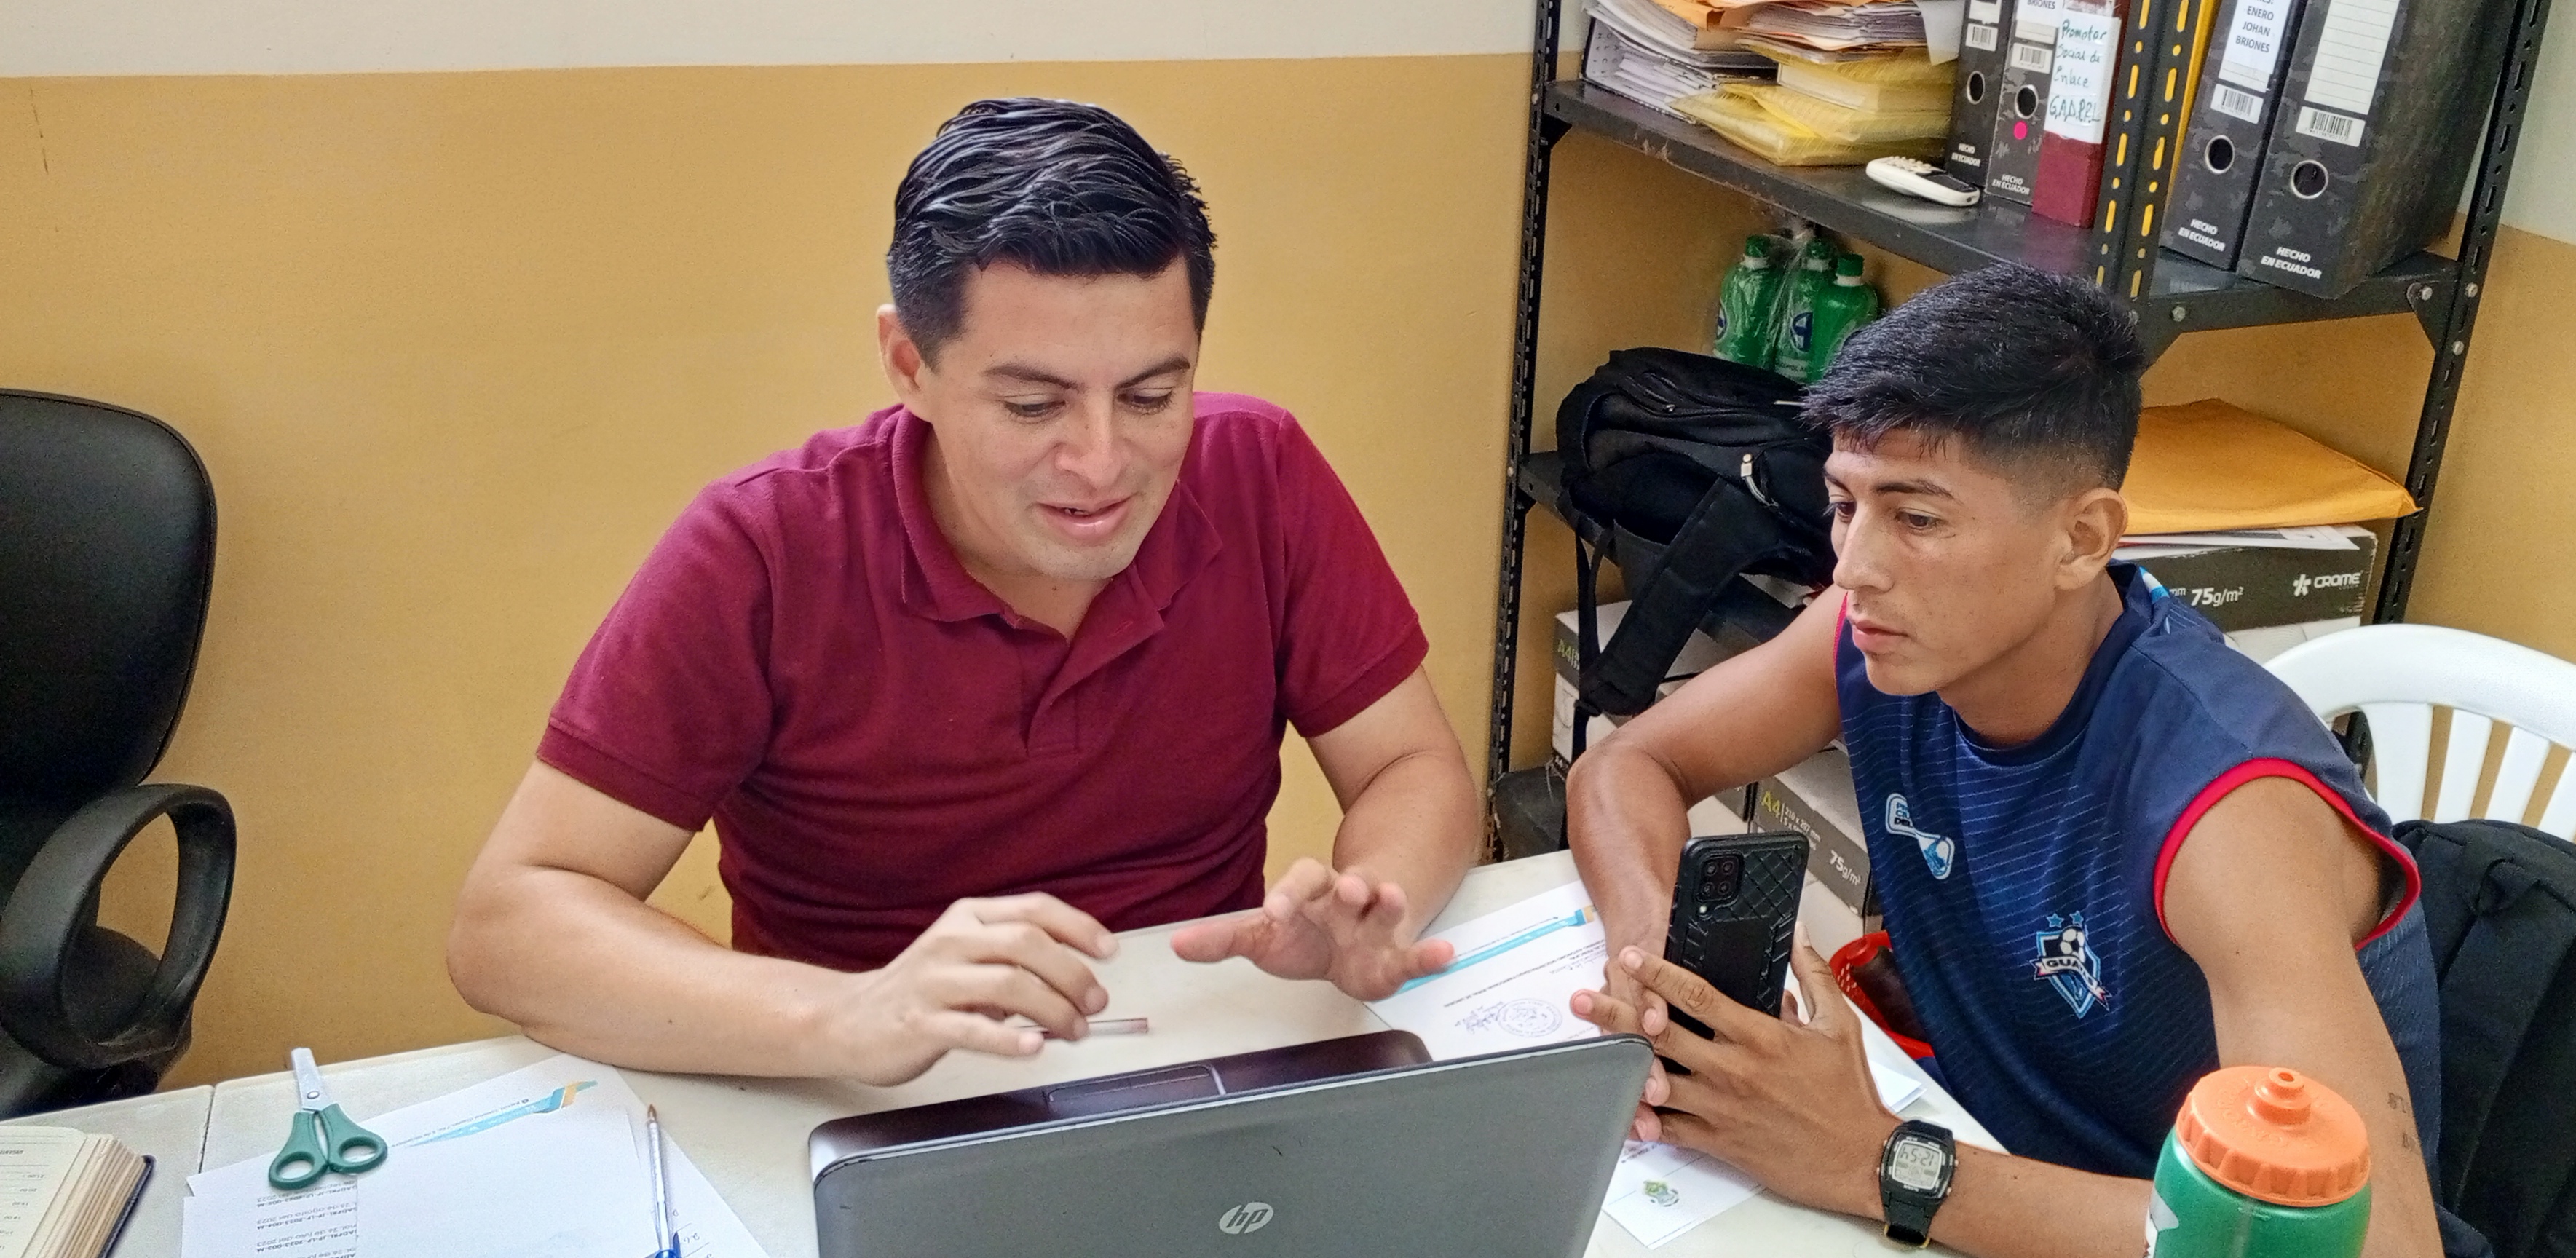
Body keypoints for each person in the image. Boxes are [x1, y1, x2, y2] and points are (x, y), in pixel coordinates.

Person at [448, 98, 1480, 1086]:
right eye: (1033, 404)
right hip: (863, 1095)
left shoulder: (1259, 472)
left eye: (1152, 395)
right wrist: (846, 1017)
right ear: (910, 365)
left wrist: (1374, 903)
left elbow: (1411, 764)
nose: (1101, 464)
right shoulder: (763, 550)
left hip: (1203, 1059)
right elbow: (510, 924)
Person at [1564, 264, 2462, 1257]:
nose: (1854, 566)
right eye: (1845, 504)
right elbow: (1628, 768)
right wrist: (1653, 964)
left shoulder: (2226, 816)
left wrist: (1874, 1160)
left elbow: (2378, 1246)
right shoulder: (1874, 633)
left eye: (1918, 519)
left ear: (2081, 540)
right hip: (1978, 1168)